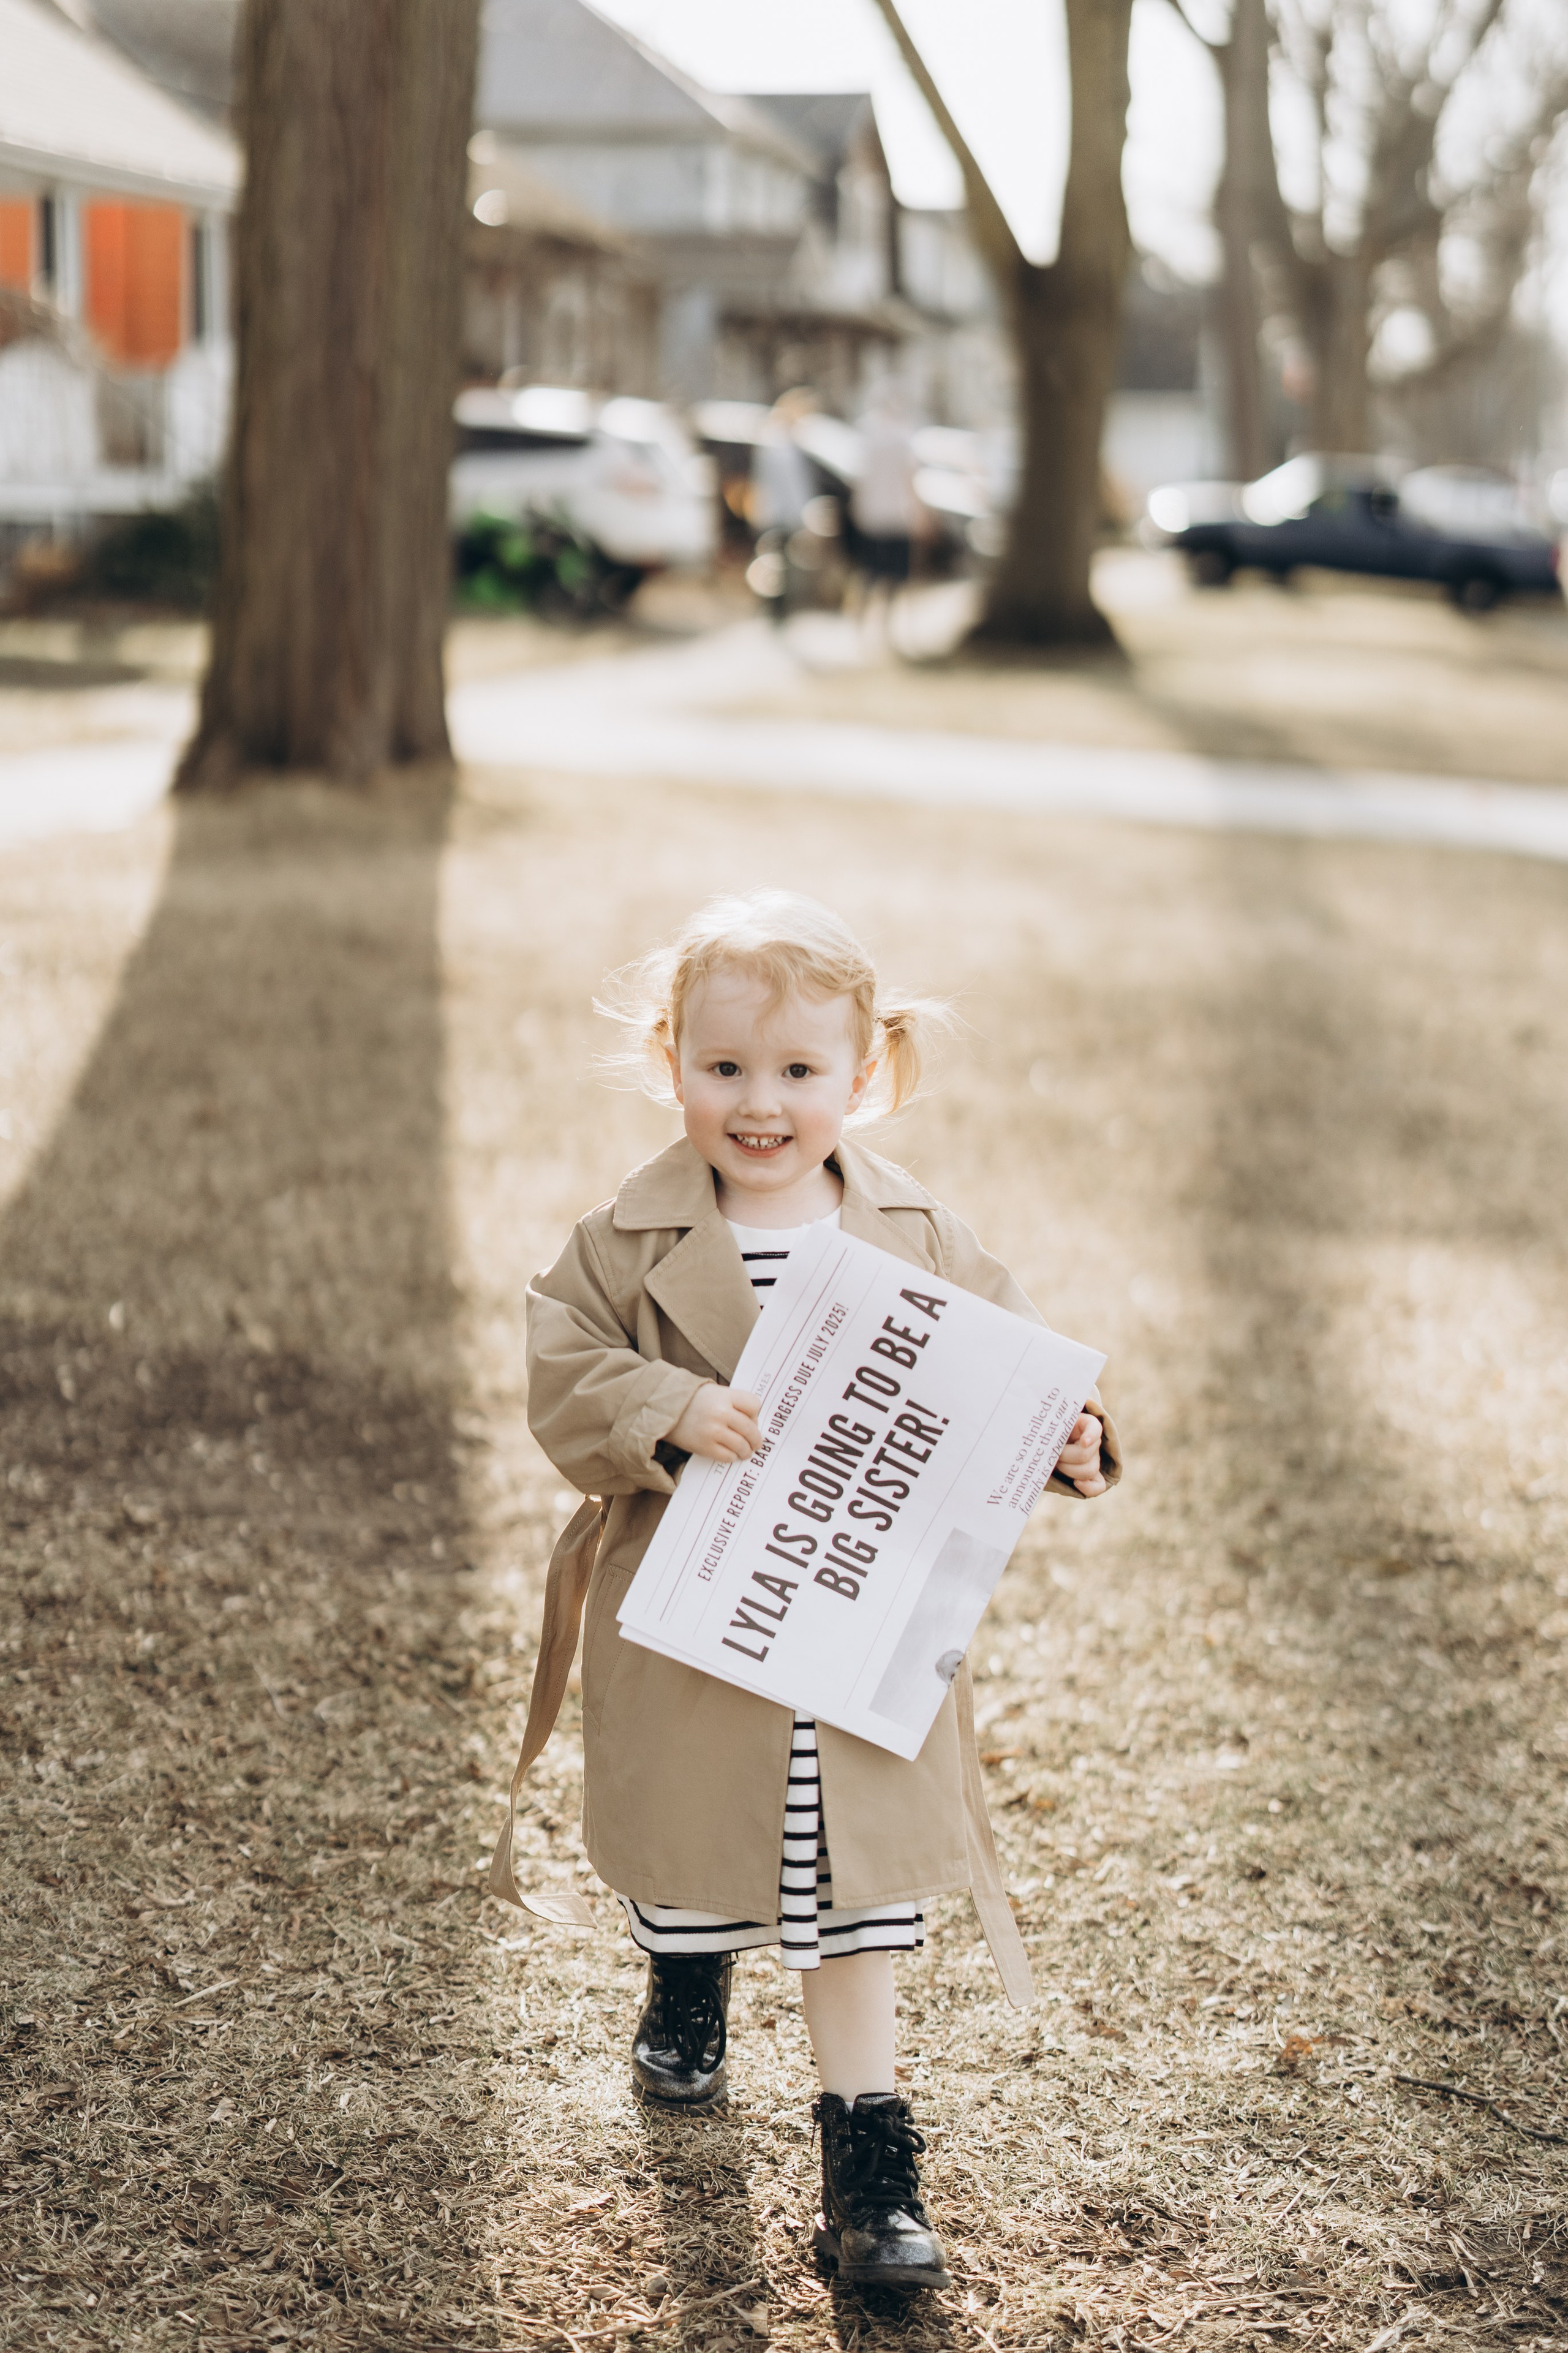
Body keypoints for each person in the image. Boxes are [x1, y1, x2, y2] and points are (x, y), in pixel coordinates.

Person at [497, 891, 1121, 2292]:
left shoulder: (919, 1235)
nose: (760, 1102)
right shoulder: (625, 1238)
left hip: (855, 1636)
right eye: (724, 1067)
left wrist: (1064, 1439)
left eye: (797, 1070)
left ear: (864, 1070)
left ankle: (867, 2162)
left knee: (847, 1895)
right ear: (669, 1059)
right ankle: (687, 1978)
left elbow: (1013, 1373)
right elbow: (561, 1366)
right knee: (700, 1859)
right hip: (698, 1628)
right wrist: (666, 1404)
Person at [849, 390, 925, 637]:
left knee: (872, 572)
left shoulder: (867, 435)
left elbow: (859, 479)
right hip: (895, 514)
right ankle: (884, 625)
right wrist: (919, 513)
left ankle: (863, 620)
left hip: (874, 515)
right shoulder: (901, 437)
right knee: (894, 575)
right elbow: (910, 477)